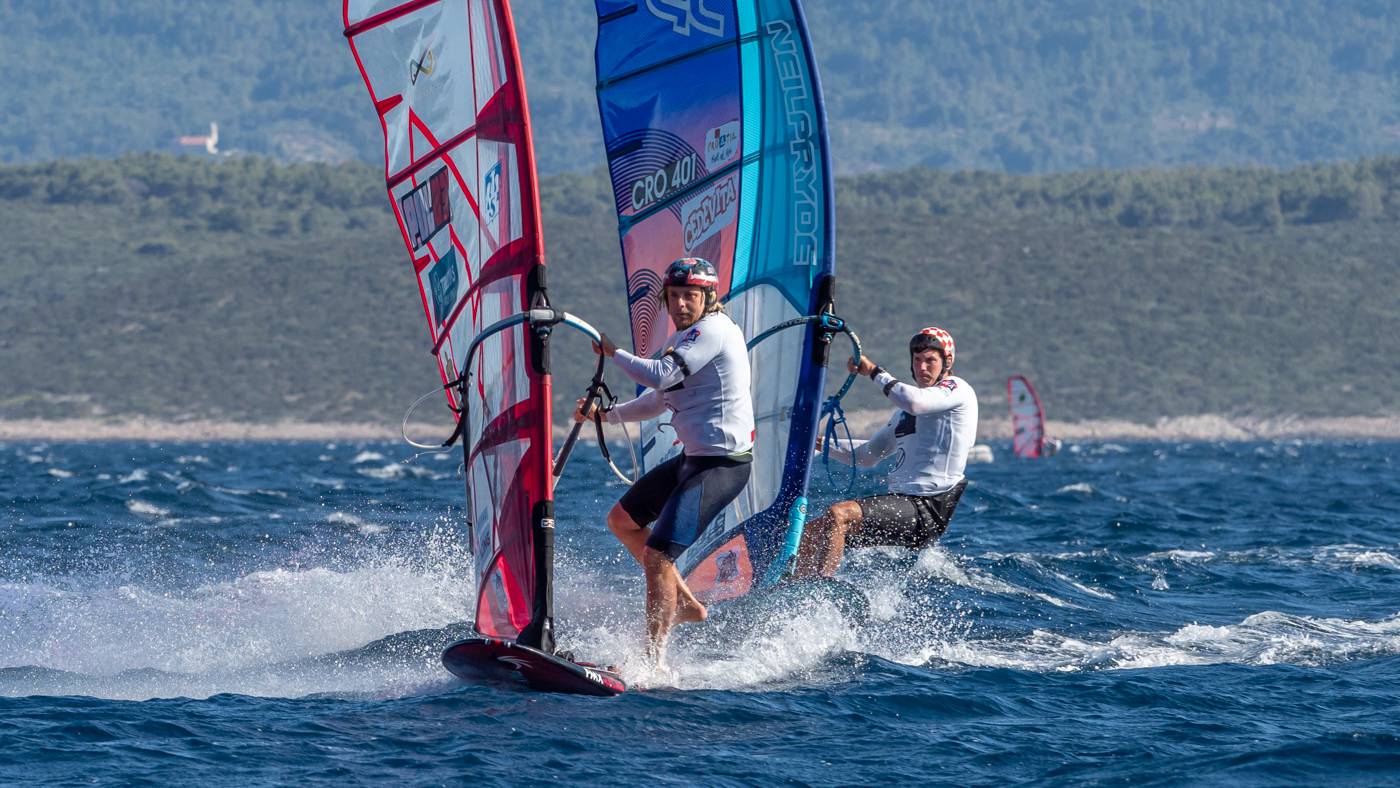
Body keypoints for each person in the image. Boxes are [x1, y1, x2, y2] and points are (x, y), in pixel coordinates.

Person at [574, 257, 755, 663]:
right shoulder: (686, 340)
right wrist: (604, 416)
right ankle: (687, 604)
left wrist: (613, 352)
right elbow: (657, 401)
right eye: (674, 297)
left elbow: (660, 376)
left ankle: (653, 662)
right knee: (622, 521)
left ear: (709, 298)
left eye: (690, 296)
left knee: (658, 554)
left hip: (723, 466)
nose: (681, 304)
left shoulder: (713, 330)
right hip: (693, 460)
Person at [793, 326, 978, 578]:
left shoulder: (958, 389)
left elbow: (915, 400)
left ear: (947, 362)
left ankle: (820, 592)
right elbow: (867, 455)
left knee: (840, 514)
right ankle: (792, 587)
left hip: (927, 509)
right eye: (917, 360)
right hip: (903, 505)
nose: (923, 367)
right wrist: (820, 443)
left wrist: (873, 372)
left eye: (930, 361)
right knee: (806, 535)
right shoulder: (902, 415)